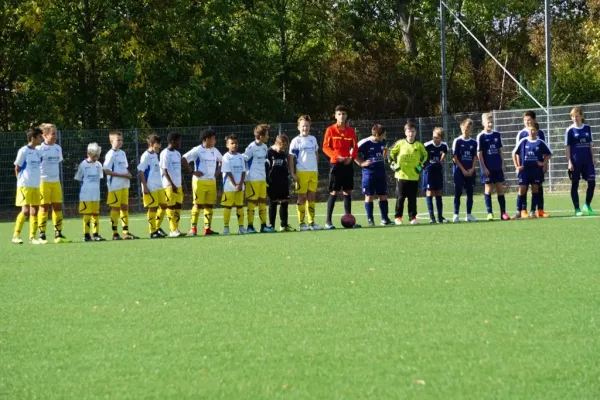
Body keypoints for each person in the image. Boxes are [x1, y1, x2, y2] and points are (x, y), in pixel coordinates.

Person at [322, 105, 359, 229]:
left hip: (348, 165)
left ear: (346, 116)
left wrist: (351, 158)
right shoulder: (330, 130)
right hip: (336, 164)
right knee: (334, 191)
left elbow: (355, 147)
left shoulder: (350, 131)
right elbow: (325, 147)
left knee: (347, 191)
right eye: (339, 114)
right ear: (335, 115)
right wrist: (337, 157)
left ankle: (349, 220)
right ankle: (328, 222)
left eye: (343, 114)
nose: (341, 116)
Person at [183, 129, 222, 236]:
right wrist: (192, 171)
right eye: (213, 138)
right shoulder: (197, 150)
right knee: (197, 204)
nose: (215, 140)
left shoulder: (215, 150)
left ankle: (207, 229)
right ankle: (193, 229)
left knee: (209, 205)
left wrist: (217, 173)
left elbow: (222, 161)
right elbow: (184, 158)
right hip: (199, 182)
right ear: (207, 139)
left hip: (211, 182)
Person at [37, 123, 71, 243]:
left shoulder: (58, 148)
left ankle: (58, 234)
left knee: (57, 207)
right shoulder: (39, 149)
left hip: (55, 182)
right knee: (44, 207)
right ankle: (42, 235)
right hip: (43, 182)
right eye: (53, 134)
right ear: (44, 135)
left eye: (56, 133)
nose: (55, 136)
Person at [389, 122, 427, 225]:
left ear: (416, 133)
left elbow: (426, 157)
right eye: (409, 131)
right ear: (405, 132)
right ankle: (398, 217)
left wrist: (419, 168)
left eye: (413, 131)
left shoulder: (419, 145)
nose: (411, 133)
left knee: (412, 199)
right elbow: (390, 153)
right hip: (401, 176)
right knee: (400, 197)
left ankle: (412, 218)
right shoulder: (400, 143)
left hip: (414, 177)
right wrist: (393, 165)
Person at [289, 115, 322, 231]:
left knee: (312, 197)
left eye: (307, 126)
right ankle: (302, 223)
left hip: (312, 172)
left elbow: (316, 154)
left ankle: (312, 222)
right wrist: (293, 173)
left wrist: (316, 168)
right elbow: (291, 158)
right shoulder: (296, 141)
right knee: (302, 197)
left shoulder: (313, 139)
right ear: (298, 127)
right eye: (303, 126)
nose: (305, 128)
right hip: (301, 172)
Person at [103, 131, 139, 240]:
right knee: (115, 208)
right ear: (111, 141)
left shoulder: (122, 153)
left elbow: (124, 167)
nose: (120, 142)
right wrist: (122, 175)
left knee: (124, 207)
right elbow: (106, 170)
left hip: (124, 185)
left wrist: (128, 173)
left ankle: (126, 232)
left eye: (121, 140)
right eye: (118, 140)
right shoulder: (110, 154)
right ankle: (115, 233)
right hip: (115, 186)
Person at [356, 124, 394, 226]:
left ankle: (385, 219)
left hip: (380, 172)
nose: (385, 137)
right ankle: (370, 220)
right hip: (369, 173)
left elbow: (383, 153)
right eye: (383, 135)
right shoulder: (365, 142)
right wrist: (361, 163)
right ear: (377, 135)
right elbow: (353, 152)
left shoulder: (383, 142)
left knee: (383, 195)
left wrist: (385, 154)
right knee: (369, 196)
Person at [512, 124, 552, 218]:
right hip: (525, 171)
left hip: (536, 171)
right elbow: (513, 153)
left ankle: (532, 211)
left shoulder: (540, 142)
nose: (531, 132)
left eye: (533, 130)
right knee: (522, 189)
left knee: (535, 189)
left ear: (537, 131)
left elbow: (549, 153)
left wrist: (543, 163)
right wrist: (517, 166)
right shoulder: (523, 141)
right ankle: (518, 212)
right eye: (530, 130)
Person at [12, 127, 43, 244]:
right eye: (40, 137)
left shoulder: (38, 151)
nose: (41, 139)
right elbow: (17, 167)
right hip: (24, 185)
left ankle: (32, 238)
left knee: (34, 210)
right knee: (25, 211)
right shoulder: (23, 151)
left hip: (36, 185)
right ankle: (16, 236)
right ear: (33, 138)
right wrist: (20, 181)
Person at [476, 113, 509, 221]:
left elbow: (500, 150)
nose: (490, 124)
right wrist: (484, 168)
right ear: (483, 123)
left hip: (497, 166)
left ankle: (503, 213)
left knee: (500, 188)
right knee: (488, 188)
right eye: (488, 122)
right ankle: (489, 213)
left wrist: (502, 164)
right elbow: (479, 154)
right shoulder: (481, 136)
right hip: (487, 168)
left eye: (491, 122)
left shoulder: (497, 134)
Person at [244, 124, 276, 233]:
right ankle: (250, 226)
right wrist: (245, 175)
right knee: (252, 202)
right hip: (252, 179)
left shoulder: (264, 147)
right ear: (261, 136)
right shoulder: (251, 147)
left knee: (262, 201)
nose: (268, 136)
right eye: (267, 134)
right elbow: (244, 159)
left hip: (262, 179)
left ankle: (263, 225)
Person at [565, 107, 596, 216]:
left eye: (577, 116)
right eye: (573, 116)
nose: (575, 118)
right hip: (575, 162)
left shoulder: (587, 128)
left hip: (588, 161)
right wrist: (569, 162)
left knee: (592, 182)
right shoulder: (569, 130)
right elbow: (567, 147)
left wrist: (593, 157)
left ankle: (587, 205)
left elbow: (591, 144)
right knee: (575, 184)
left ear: (581, 116)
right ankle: (577, 208)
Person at [75, 143, 105, 241]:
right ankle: (86, 234)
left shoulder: (99, 165)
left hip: (96, 194)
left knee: (95, 214)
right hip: (86, 194)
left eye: (97, 156)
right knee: (87, 215)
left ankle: (96, 234)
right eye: (93, 155)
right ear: (88, 153)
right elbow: (79, 178)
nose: (95, 158)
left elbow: (99, 178)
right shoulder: (83, 165)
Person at [138, 135, 167, 238]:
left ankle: (157, 227)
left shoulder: (155, 155)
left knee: (163, 206)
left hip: (159, 186)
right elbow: (141, 171)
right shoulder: (145, 156)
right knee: (153, 208)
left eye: (160, 144)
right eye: (157, 144)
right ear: (151, 144)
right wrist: (145, 186)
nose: (159, 146)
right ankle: (152, 232)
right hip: (150, 186)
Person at [452, 119, 478, 223]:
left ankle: (468, 214)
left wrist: (472, 169)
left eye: (469, 129)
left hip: (470, 172)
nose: (467, 131)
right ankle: (456, 214)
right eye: (465, 129)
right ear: (461, 128)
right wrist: (463, 170)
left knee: (470, 193)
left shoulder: (473, 142)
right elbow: (454, 157)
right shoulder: (457, 141)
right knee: (458, 193)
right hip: (459, 172)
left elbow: (475, 157)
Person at [160, 132, 186, 237]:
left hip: (178, 185)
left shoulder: (177, 153)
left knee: (178, 206)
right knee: (170, 207)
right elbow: (164, 171)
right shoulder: (164, 153)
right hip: (169, 185)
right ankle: (172, 230)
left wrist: (182, 183)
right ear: (172, 141)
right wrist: (172, 184)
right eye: (179, 140)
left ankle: (176, 228)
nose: (180, 142)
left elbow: (179, 170)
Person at [267, 134, 294, 232]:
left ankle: (284, 225)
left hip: (283, 181)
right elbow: (266, 167)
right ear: (276, 143)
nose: (282, 149)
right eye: (281, 147)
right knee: (273, 202)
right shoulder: (269, 152)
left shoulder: (283, 153)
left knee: (284, 202)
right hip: (272, 181)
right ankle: (271, 226)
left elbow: (286, 165)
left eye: (284, 147)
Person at [221, 135, 246, 235]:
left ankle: (241, 227)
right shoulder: (226, 157)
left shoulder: (240, 156)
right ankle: (226, 227)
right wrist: (235, 184)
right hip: (229, 187)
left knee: (240, 206)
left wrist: (240, 184)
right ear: (227, 145)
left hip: (240, 186)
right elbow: (228, 172)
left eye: (236, 143)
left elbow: (244, 171)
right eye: (232, 143)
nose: (234, 145)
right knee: (228, 207)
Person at [423, 127, 449, 224]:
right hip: (429, 171)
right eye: (434, 137)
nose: (435, 139)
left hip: (438, 171)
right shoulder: (427, 145)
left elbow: (445, 151)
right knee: (429, 192)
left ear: (441, 138)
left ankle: (440, 217)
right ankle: (432, 217)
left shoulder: (444, 145)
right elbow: (421, 154)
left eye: (437, 137)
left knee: (438, 192)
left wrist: (441, 160)